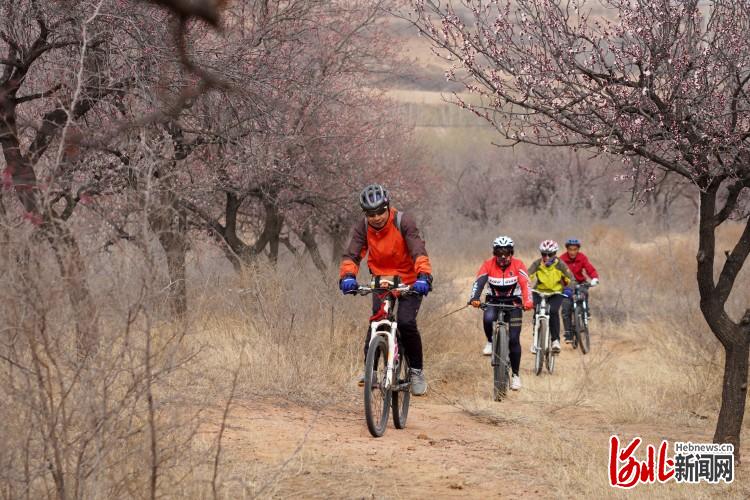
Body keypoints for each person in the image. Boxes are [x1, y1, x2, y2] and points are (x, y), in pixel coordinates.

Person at [338, 184, 433, 396]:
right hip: (381, 280)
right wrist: (347, 276)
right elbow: (352, 255)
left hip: (409, 280)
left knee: (407, 322)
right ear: (365, 214)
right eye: (370, 213)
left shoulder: (403, 221)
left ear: (388, 206)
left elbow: (418, 250)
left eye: (380, 211)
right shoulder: (362, 227)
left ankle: (416, 371)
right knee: (376, 321)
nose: (377, 217)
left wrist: (424, 276)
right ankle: (370, 370)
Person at [468, 236, 533, 391]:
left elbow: (526, 285)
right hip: (494, 300)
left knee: (514, 340)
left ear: (511, 252)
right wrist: (474, 298)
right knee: (488, 316)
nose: (503, 256)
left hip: (514, 302)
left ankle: (516, 375)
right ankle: (490, 342)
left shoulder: (519, 264)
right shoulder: (488, 265)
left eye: (506, 252)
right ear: (494, 252)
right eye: (499, 252)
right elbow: (478, 283)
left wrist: (528, 301)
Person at [527, 240, 575, 354]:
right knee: (537, 312)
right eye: (544, 254)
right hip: (539, 291)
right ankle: (536, 341)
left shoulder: (560, 265)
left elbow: (571, 279)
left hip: (555, 293)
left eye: (550, 254)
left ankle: (555, 341)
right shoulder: (537, 264)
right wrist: (524, 286)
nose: (547, 257)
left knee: (553, 312)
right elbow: (527, 275)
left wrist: (568, 289)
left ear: (555, 254)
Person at [560, 238, 599, 342]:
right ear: (567, 249)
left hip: (580, 282)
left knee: (584, 292)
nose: (572, 252)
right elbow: (557, 273)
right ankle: (568, 333)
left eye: (575, 249)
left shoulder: (582, 257)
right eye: (570, 249)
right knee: (565, 308)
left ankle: (586, 311)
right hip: (567, 285)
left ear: (578, 249)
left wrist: (594, 278)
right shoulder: (562, 259)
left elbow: (589, 268)